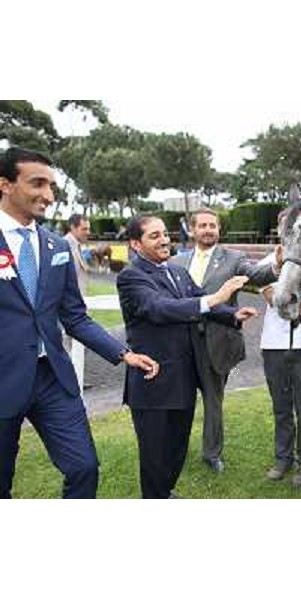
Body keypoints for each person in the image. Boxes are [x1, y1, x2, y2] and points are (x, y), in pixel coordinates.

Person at [0, 146, 159, 499]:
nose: (48, 195)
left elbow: (74, 316)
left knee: (84, 467)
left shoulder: (56, 246)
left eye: (52, 186)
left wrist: (123, 355)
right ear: (5, 185)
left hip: (52, 378)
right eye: (37, 183)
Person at [117, 215, 257, 499]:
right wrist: (219, 297)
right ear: (135, 243)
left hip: (183, 377)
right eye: (154, 236)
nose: (164, 239)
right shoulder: (132, 277)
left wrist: (232, 315)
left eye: (165, 234)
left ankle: (165, 493)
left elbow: (198, 299)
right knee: (155, 454)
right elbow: (160, 308)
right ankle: (155, 498)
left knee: (177, 448)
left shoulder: (177, 272)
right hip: (153, 382)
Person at [170, 207, 279, 473]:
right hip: (180, 343)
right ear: (193, 230)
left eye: (213, 226)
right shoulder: (176, 263)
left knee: (213, 400)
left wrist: (277, 263)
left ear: (219, 229)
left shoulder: (234, 258)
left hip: (216, 342)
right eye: (203, 225)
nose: (208, 230)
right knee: (177, 401)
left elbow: (257, 275)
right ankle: (174, 450)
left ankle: (211, 453)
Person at [259, 210, 301, 487]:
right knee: (281, 406)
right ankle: (283, 457)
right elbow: (257, 282)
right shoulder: (269, 261)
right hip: (273, 343)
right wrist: (271, 288)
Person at [63, 213, 91, 295]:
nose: (88, 232)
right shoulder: (63, 246)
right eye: (84, 229)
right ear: (73, 228)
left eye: (89, 229)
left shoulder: (77, 246)